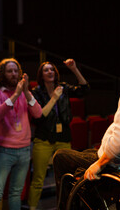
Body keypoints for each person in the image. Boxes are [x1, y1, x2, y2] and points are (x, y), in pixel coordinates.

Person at [27, 59, 89, 210]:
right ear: (41, 75)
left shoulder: (64, 88)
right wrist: (54, 97)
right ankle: (32, 207)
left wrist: (74, 69)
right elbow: (40, 116)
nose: (50, 72)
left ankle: (67, 206)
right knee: (38, 179)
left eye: (52, 69)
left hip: (63, 137)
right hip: (44, 138)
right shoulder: (36, 92)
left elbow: (84, 90)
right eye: (46, 70)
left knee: (67, 178)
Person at [0, 58, 42, 210]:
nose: (13, 74)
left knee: (16, 193)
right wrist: (16, 95)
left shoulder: (25, 94)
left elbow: (38, 113)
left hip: (24, 150)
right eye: (9, 71)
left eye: (16, 71)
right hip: (4, 150)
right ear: (2, 74)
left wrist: (25, 92)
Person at [53, 90, 120, 209]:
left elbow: (119, 142)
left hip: (112, 163)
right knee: (84, 156)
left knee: (60, 157)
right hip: (109, 157)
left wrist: (99, 164)